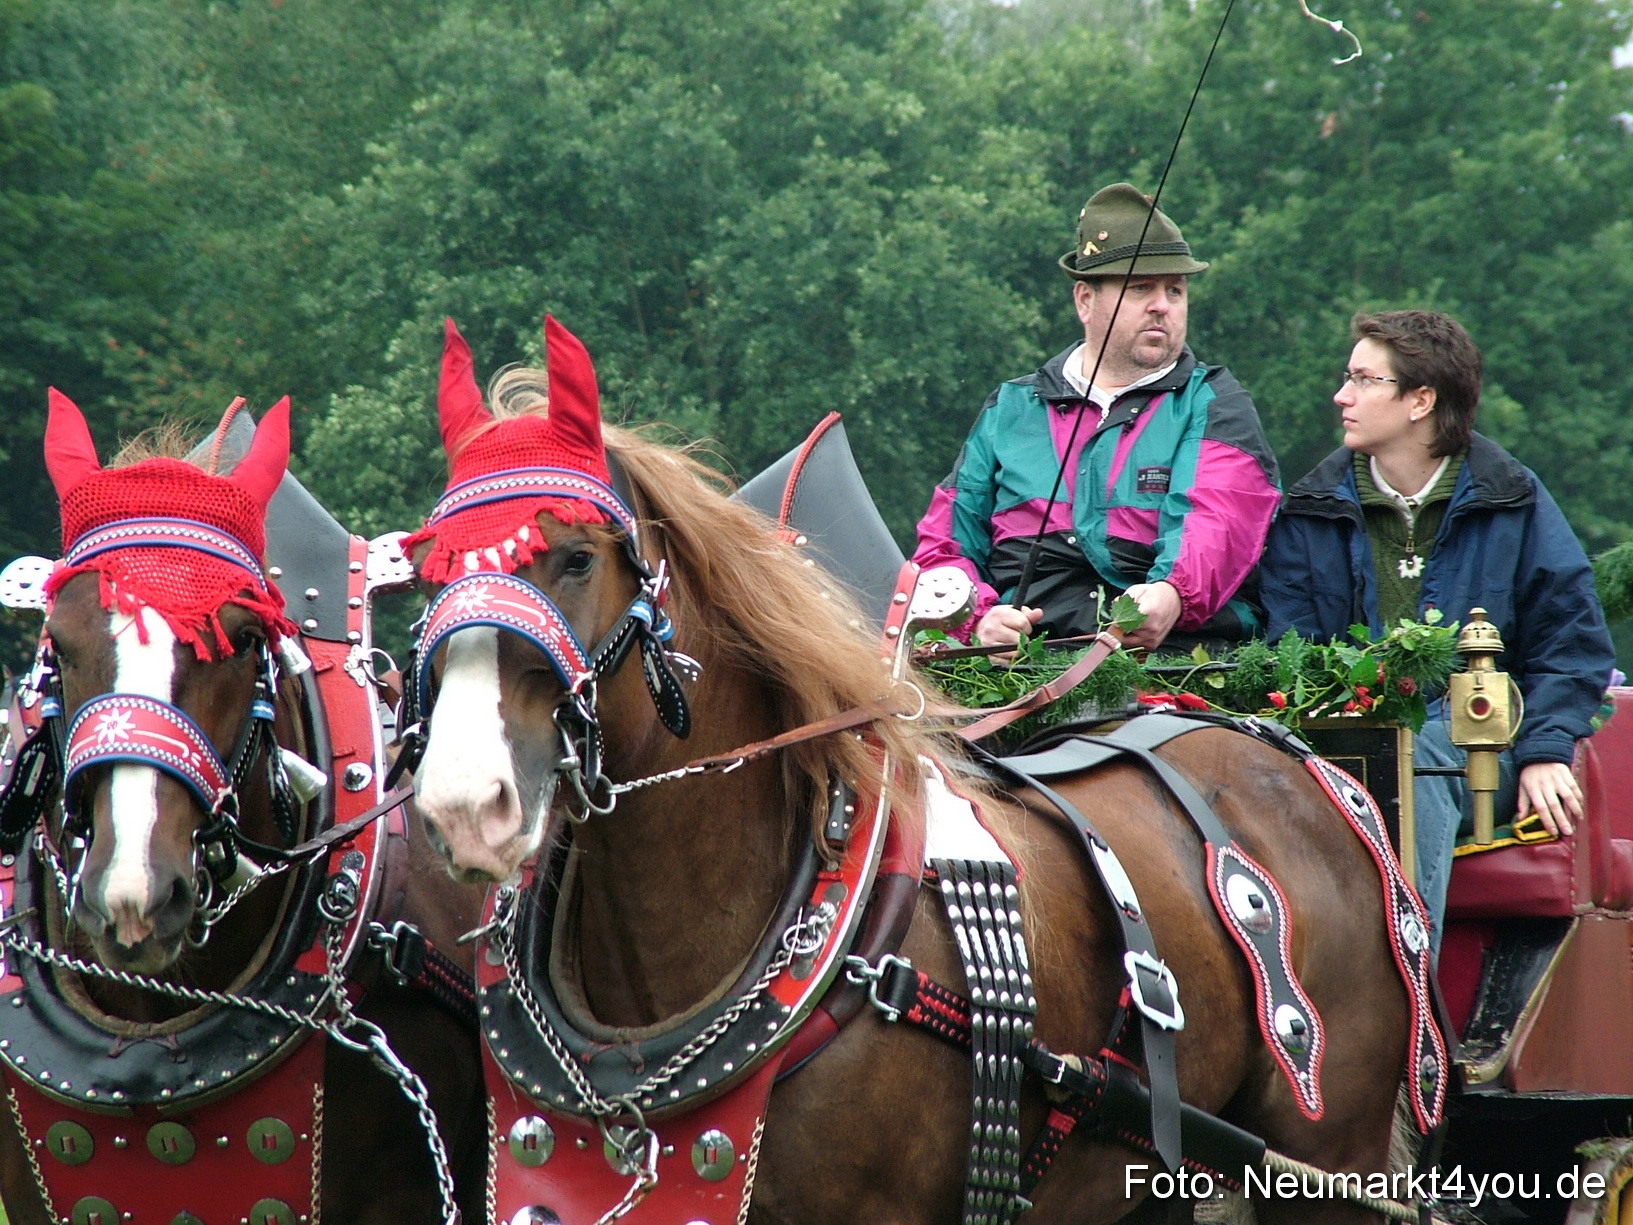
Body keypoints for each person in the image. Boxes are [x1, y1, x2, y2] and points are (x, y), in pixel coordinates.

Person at [1260, 310, 1614, 957]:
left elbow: (1573, 646)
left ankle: (1403, 1007)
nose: (1341, 395)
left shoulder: (1513, 500)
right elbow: (1290, 651)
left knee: (1415, 765)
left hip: (1480, 751)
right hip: (1336, 751)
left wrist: (1542, 749)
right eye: (1347, 377)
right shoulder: (1308, 512)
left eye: (1363, 379)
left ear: (1419, 399)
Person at [911, 182, 1281, 652]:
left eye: (1175, 290)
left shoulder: (1214, 403)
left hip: (1175, 655)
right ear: (1085, 301)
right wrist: (977, 620)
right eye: (1140, 288)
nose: (1162, 306)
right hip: (1019, 664)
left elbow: (1218, 518)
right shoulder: (1010, 409)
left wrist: (1172, 594)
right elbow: (944, 546)